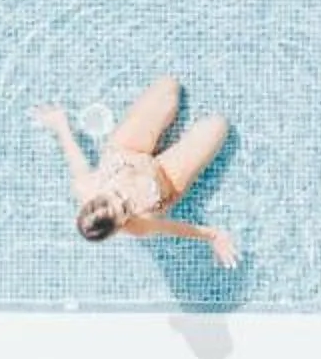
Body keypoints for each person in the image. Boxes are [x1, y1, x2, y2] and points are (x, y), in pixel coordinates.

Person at [30, 78, 240, 265]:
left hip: (130, 150)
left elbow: (75, 159)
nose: (125, 199)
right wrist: (213, 236)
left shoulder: (85, 186)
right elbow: (177, 228)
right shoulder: (140, 225)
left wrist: (60, 124)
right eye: (125, 209)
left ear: (97, 194)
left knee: (169, 86)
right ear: (122, 225)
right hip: (165, 179)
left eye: (116, 195)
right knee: (218, 125)